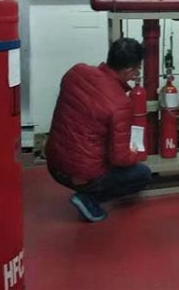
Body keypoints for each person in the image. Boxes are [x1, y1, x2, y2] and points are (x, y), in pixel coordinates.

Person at [45, 37, 152, 222]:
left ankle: (86, 188)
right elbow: (120, 158)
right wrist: (135, 154)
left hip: (54, 164)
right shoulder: (120, 103)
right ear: (128, 71)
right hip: (82, 175)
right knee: (142, 174)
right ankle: (89, 197)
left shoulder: (76, 72)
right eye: (137, 70)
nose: (137, 73)